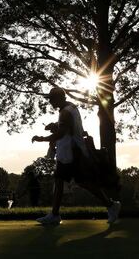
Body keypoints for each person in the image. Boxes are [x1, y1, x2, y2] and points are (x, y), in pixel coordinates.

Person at [31, 87, 121, 225]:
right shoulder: (70, 108)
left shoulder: (65, 112)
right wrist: (55, 125)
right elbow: (67, 128)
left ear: (60, 98)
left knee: (66, 180)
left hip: (71, 153)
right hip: (72, 151)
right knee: (74, 182)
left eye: (52, 99)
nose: (50, 102)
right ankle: (110, 205)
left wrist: (42, 138)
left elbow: (62, 133)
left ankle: (55, 215)